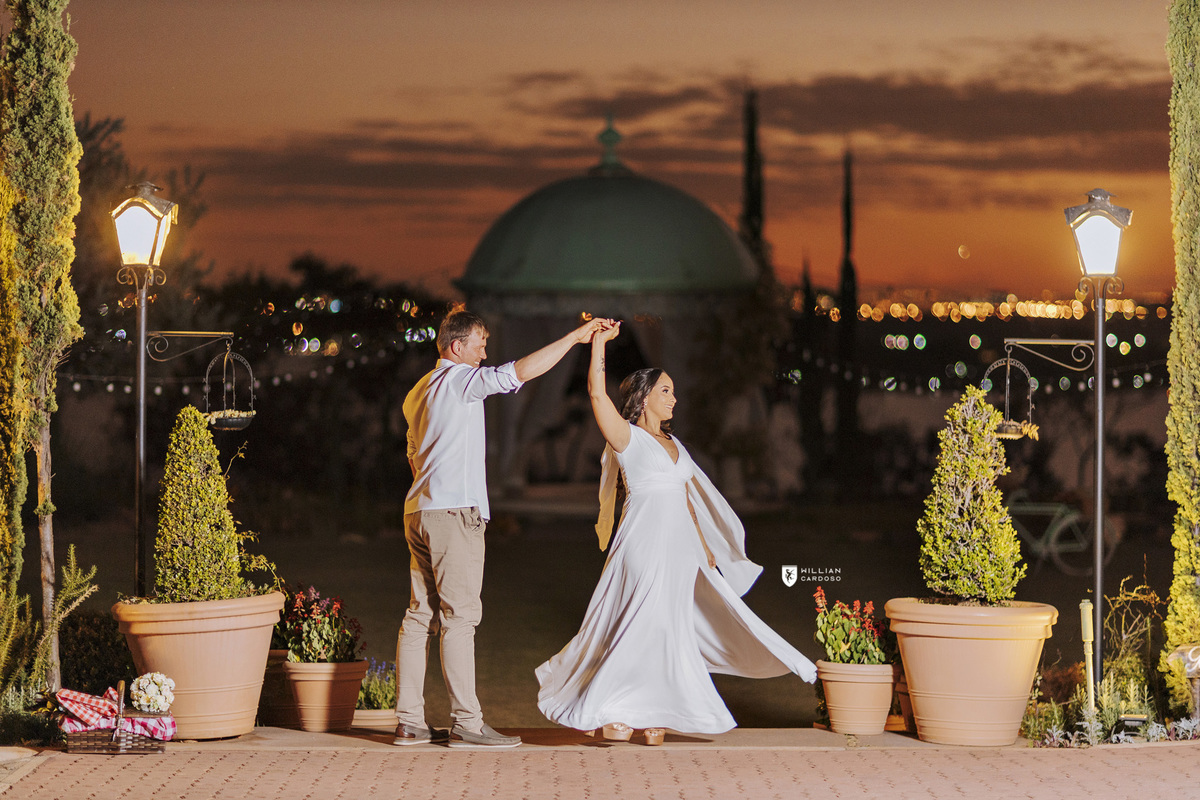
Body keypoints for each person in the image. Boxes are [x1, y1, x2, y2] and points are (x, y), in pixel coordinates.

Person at [535, 321, 817, 744]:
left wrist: (705, 549)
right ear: (644, 397)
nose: (674, 398)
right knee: (638, 624)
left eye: (673, 391)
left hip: (683, 551)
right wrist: (598, 345)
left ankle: (656, 713)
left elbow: (686, 500)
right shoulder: (627, 438)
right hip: (642, 544)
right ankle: (612, 709)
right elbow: (596, 394)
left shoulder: (676, 445)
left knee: (669, 629)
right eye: (666, 391)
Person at [396, 309, 610, 748]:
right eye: (479, 345)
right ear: (456, 346)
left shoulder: (418, 391)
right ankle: (467, 724)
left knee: (419, 618)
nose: (484, 354)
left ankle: (409, 722)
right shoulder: (460, 381)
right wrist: (575, 338)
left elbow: (413, 455)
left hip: (420, 510)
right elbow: (521, 372)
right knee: (460, 619)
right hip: (453, 513)